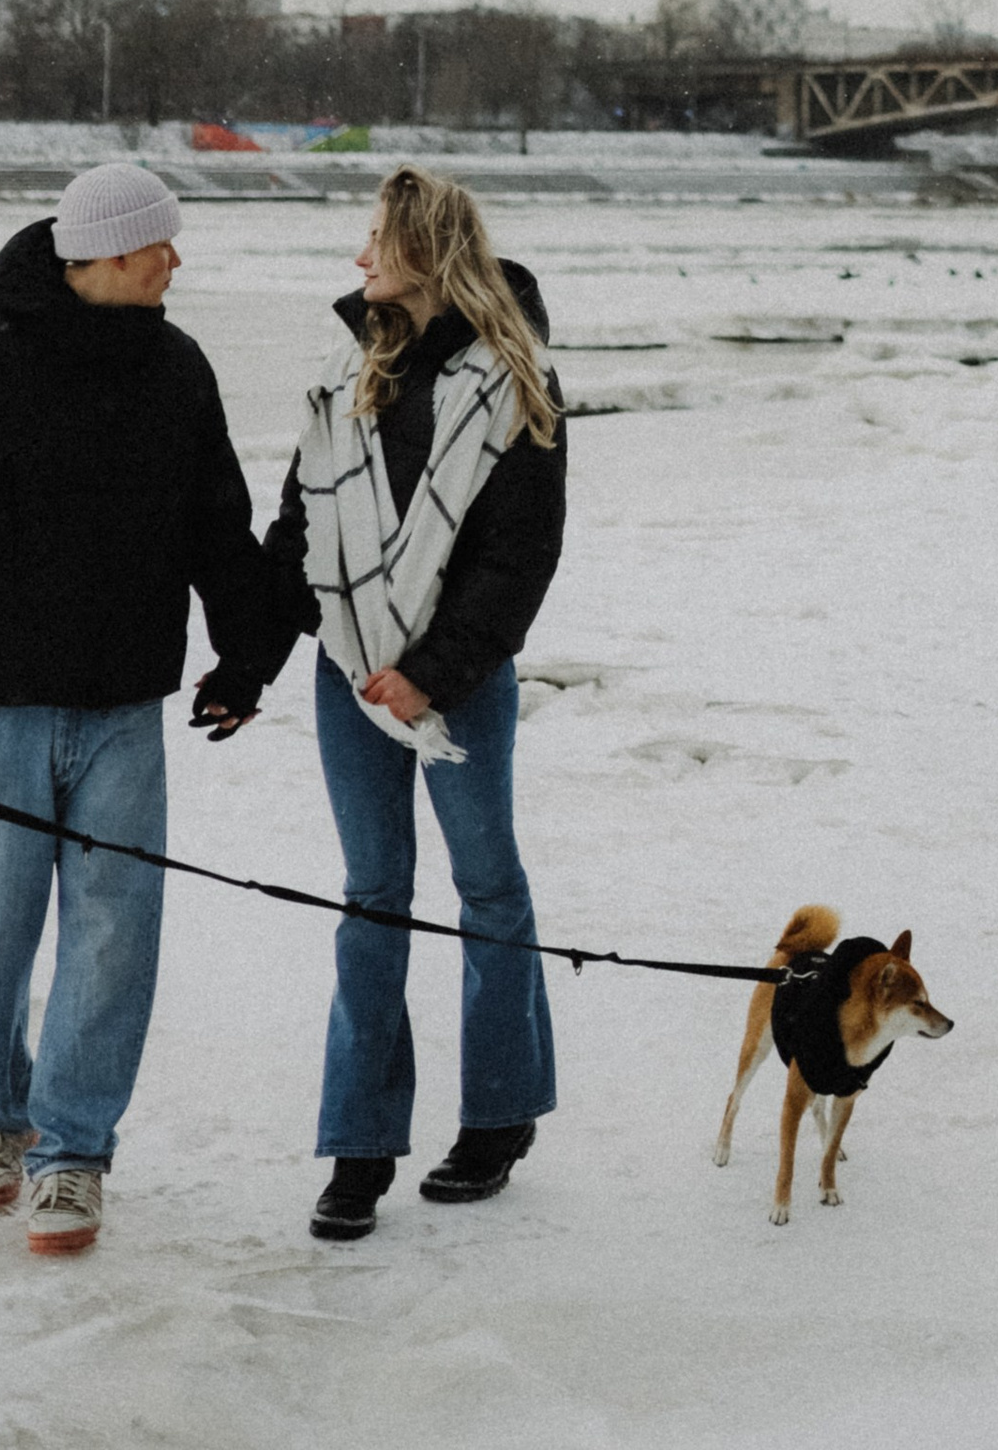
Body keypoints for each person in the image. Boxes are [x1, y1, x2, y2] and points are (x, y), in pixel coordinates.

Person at [0, 156, 290, 1256]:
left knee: (114, 938)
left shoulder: (176, 368)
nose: (177, 261)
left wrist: (245, 658)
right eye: (161, 246)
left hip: (125, 710)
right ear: (110, 255)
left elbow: (215, 528)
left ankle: (74, 1150)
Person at [263, 164, 567, 1240]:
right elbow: (300, 534)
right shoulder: (358, 376)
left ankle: (498, 1116)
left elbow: (516, 563)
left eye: (376, 242)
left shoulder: (515, 383)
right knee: (370, 898)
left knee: (487, 890)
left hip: (460, 688)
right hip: (349, 678)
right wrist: (248, 663)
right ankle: (359, 1145)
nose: (358, 261)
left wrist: (430, 673)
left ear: (427, 254)